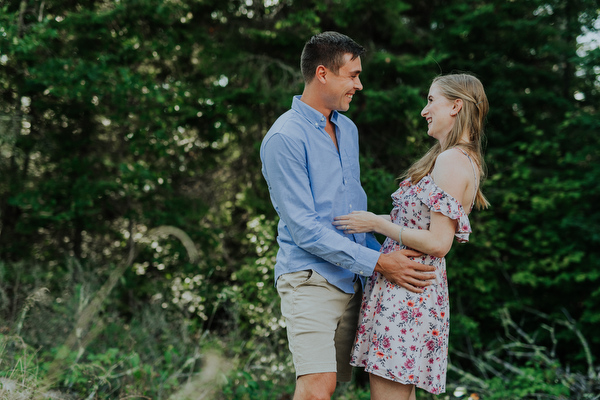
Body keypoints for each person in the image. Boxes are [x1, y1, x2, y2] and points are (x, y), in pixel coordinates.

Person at [260, 31, 437, 400]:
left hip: (356, 278)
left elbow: (351, 216)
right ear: (322, 73)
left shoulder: (348, 129)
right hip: (310, 277)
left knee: (387, 380)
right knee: (316, 387)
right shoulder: (284, 138)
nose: (359, 84)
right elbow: (306, 230)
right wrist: (380, 262)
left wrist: (395, 250)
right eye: (352, 75)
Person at [333, 73, 490, 399]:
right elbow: (414, 222)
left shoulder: (451, 161)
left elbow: (438, 243)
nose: (424, 110)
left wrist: (377, 225)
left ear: (456, 106)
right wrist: (375, 219)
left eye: (432, 100)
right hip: (409, 288)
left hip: (408, 291)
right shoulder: (456, 158)